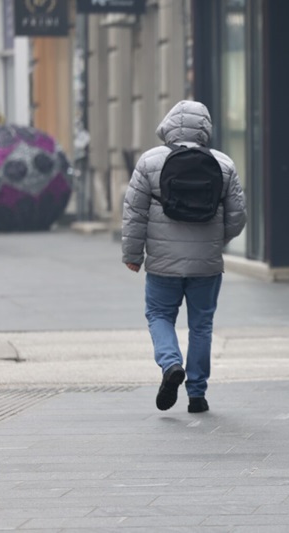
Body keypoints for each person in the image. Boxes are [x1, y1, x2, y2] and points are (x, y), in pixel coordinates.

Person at [122, 100, 247, 413]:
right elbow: (237, 217)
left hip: (162, 263)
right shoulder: (224, 164)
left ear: (169, 124)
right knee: (201, 326)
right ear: (205, 128)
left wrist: (133, 254)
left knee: (159, 315)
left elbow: (134, 214)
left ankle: (170, 364)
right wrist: (217, 241)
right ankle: (197, 395)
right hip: (206, 264)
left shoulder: (149, 162)